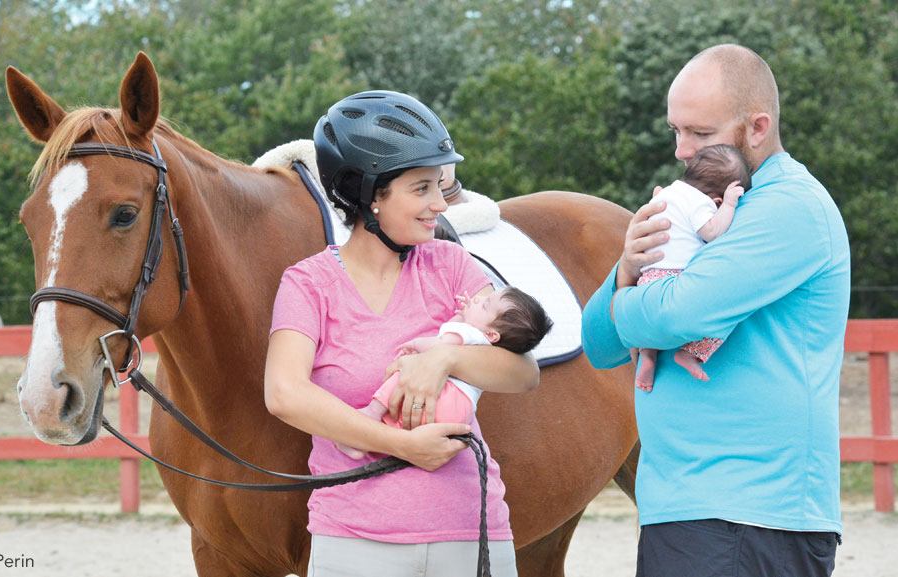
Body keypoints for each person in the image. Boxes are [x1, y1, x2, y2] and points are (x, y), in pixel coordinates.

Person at [580, 44, 850, 577]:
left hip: (751, 513)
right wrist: (629, 269)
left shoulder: (789, 209)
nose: (682, 150)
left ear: (757, 127)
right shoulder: (700, 207)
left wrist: (627, 292)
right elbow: (597, 343)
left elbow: (676, 316)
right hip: (686, 509)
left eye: (700, 134)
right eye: (675, 130)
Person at [265, 90, 538, 577]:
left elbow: (522, 372)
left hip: (471, 529)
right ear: (368, 193)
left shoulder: (451, 264)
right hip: (353, 540)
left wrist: (442, 359)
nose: (439, 204)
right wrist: (402, 446)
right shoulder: (307, 284)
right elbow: (285, 394)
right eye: (421, 189)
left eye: (439, 187)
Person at [336, 287, 552, 459]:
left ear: (493, 334)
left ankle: (371, 414)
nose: (477, 299)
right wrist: (466, 315)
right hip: (459, 411)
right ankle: (380, 445)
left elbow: (440, 346)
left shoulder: (467, 332)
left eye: (485, 305)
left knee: (408, 369)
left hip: (443, 395)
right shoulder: (490, 347)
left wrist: (415, 345)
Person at [634, 144, 750, 392]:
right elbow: (712, 233)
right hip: (676, 280)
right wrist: (729, 206)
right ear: (715, 199)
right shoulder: (702, 203)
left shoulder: (667, 193)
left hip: (646, 281)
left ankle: (648, 354)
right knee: (725, 312)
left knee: (652, 324)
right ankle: (691, 353)